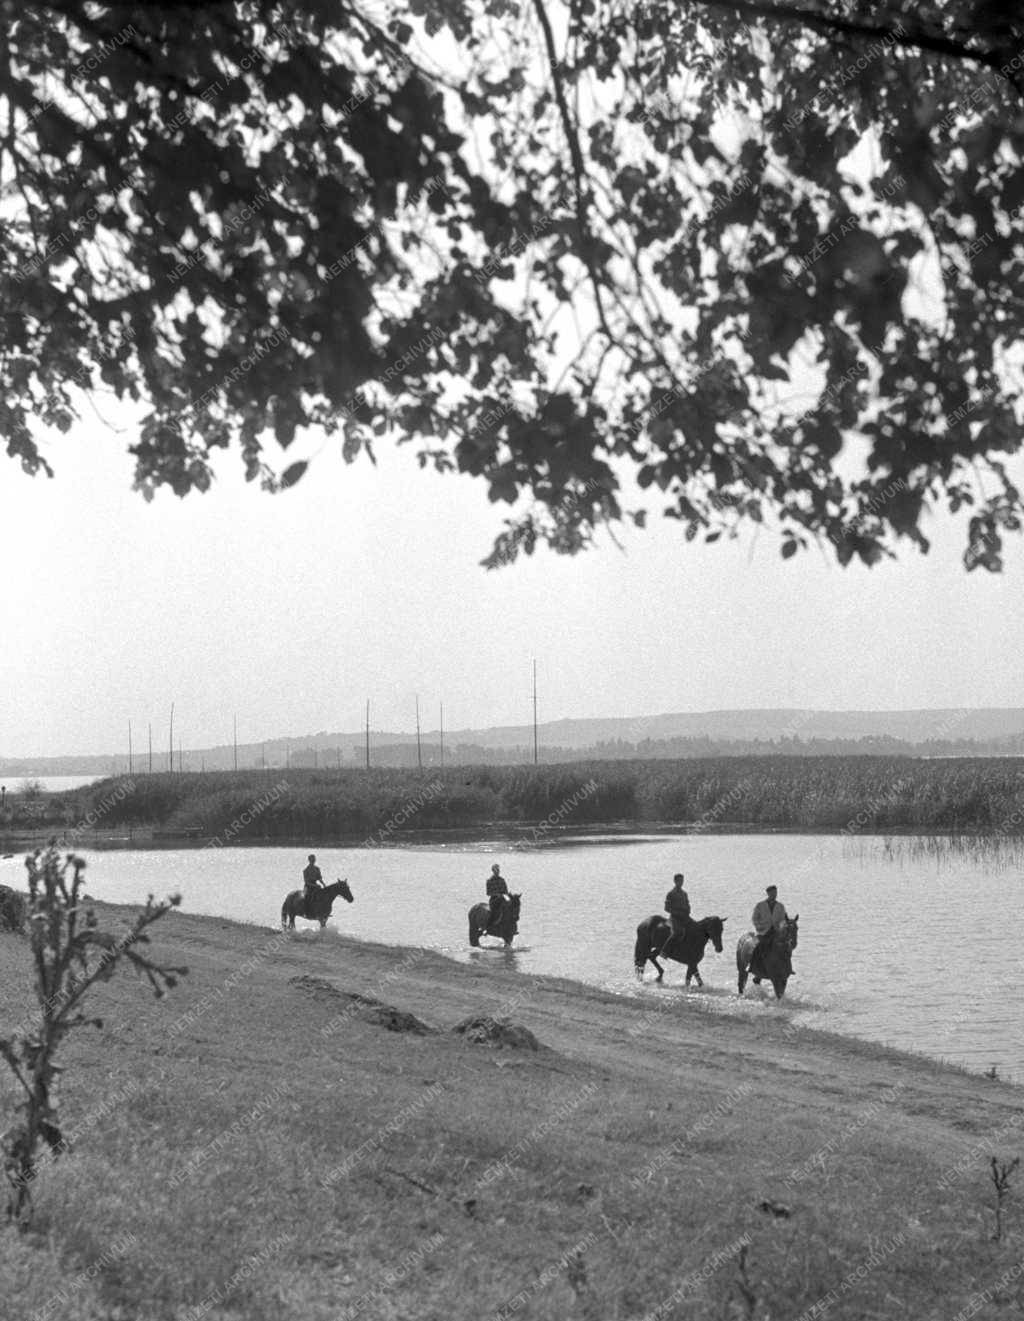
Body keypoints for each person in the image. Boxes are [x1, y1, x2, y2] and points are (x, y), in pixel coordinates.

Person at [751, 884, 789, 977]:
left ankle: (788, 968)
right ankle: (751, 966)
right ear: (768, 893)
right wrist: (759, 927)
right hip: (764, 931)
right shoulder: (760, 905)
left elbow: (783, 919)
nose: (775, 894)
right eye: (772, 893)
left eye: (776, 893)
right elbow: (755, 918)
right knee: (758, 947)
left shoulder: (780, 906)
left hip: (776, 932)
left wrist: (781, 927)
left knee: (786, 947)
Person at [659, 872, 690, 958]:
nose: (681, 882)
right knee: (677, 932)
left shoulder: (684, 893)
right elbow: (667, 908)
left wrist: (688, 910)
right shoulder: (671, 894)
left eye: (682, 880)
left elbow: (687, 904)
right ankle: (664, 951)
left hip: (685, 917)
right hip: (675, 918)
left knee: (694, 928)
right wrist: (678, 913)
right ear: (675, 881)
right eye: (679, 881)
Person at [486, 862, 509, 927]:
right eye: (496, 870)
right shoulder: (489, 881)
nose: (498, 871)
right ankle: (488, 926)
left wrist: (507, 896)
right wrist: (496, 894)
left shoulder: (502, 880)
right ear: (493, 871)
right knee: (493, 912)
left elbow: (505, 891)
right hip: (494, 899)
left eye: (498, 870)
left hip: (503, 898)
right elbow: (488, 893)